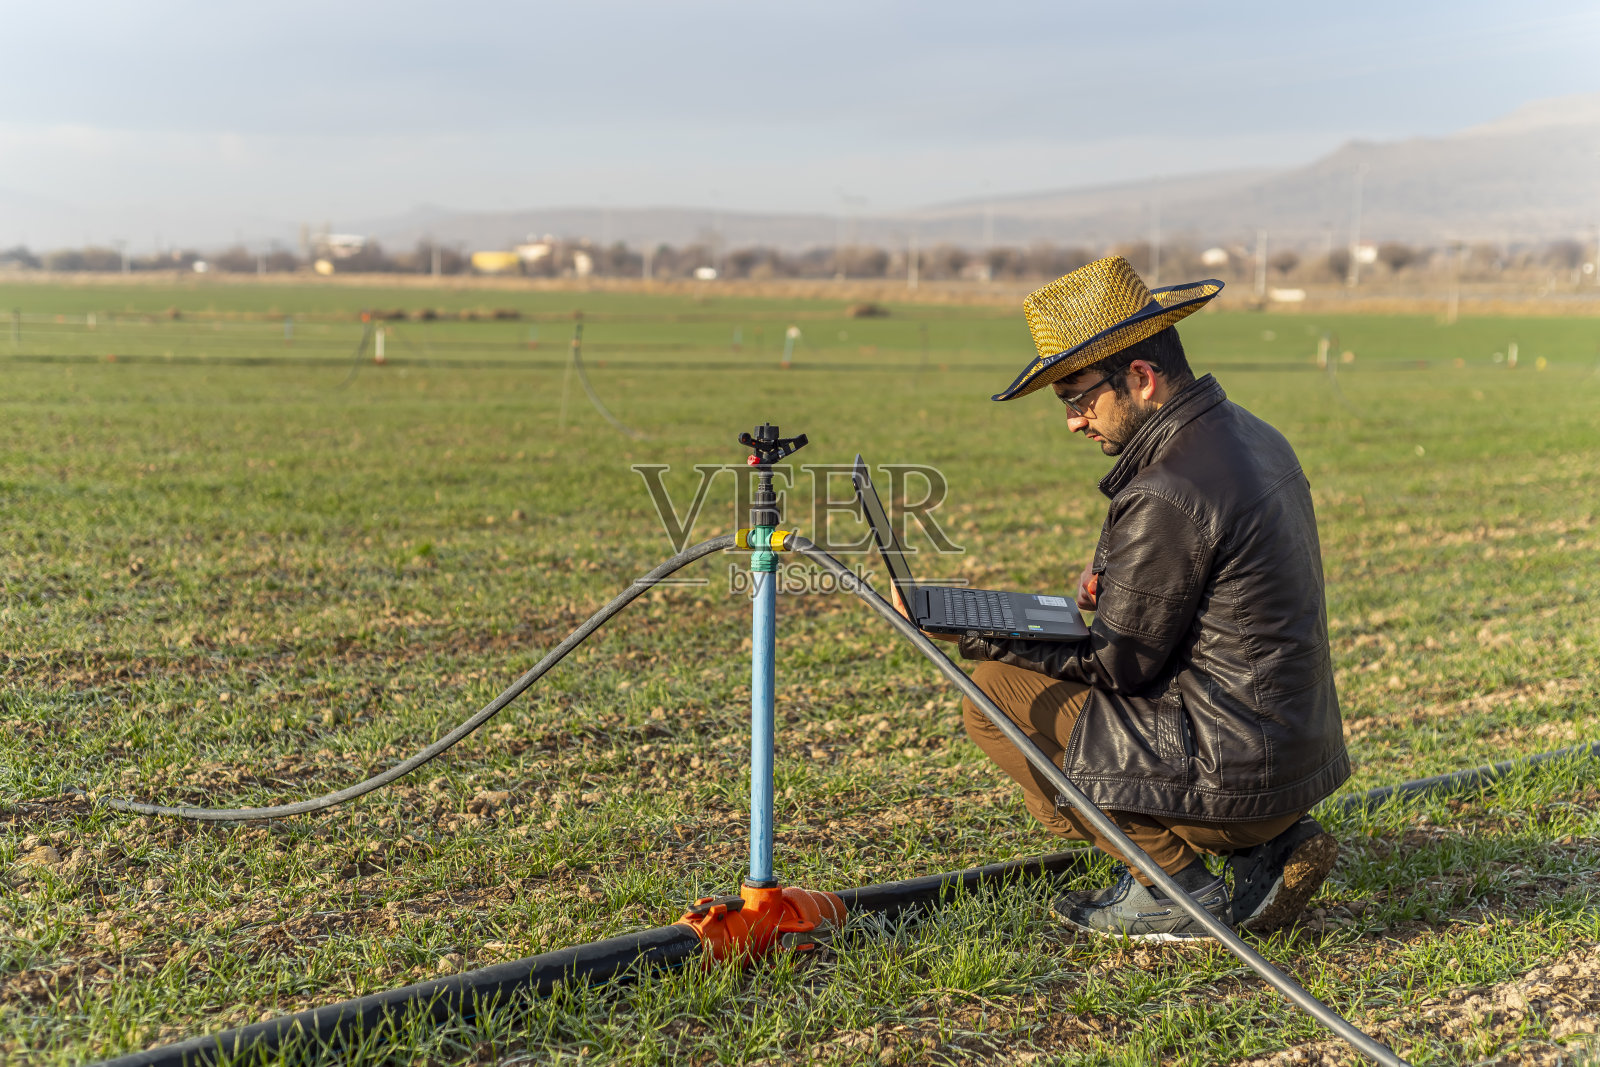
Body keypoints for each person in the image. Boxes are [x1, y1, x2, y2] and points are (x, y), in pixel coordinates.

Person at [898, 255, 1348, 940]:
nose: (1074, 422)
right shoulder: (1249, 436)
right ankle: (1268, 847)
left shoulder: (1168, 488)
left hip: (1238, 770)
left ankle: (1170, 885)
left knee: (994, 694)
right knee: (1033, 678)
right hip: (1287, 753)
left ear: (1140, 377)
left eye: (1078, 398)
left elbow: (1119, 665)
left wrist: (975, 629)